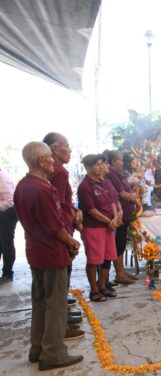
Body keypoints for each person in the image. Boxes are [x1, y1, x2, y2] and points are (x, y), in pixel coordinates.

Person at [14, 141, 83, 371]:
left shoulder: (23, 186)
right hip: (52, 252)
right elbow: (54, 227)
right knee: (55, 304)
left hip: (36, 251)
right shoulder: (42, 188)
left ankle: (37, 348)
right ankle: (53, 353)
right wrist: (72, 241)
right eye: (50, 158)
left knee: (41, 302)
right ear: (41, 161)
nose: (54, 161)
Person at [42, 132, 84, 338]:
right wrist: (68, 233)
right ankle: (62, 325)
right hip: (62, 227)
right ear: (54, 149)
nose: (70, 150)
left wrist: (75, 211)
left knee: (60, 281)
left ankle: (63, 317)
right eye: (67, 146)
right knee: (60, 280)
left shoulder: (55, 171)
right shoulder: (58, 172)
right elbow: (57, 206)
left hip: (65, 223)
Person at [78, 154, 120, 303]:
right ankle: (94, 290)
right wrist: (109, 221)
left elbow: (113, 202)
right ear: (88, 168)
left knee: (107, 257)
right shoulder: (85, 186)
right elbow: (91, 210)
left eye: (102, 163)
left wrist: (115, 218)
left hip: (109, 226)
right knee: (94, 260)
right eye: (97, 164)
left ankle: (102, 286)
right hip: (94, 227)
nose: (101, 166)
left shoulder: (104, 182)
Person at [104, 150, 140, 285]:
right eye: (120, 159)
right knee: (118, 244)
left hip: (125, 214)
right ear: (113, 162)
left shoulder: (119, 175)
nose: (122, 162)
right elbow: (121, 194)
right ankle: (119, 274)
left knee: (122, 243)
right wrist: (133, 198)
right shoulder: (112, 175)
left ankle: (122, 271)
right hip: (119, 215)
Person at [0, 166, 17, 284]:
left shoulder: (3, 178)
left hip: (8, 213)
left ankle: (7, 273)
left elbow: (10, 201)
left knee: (6, 243)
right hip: (3, 212)